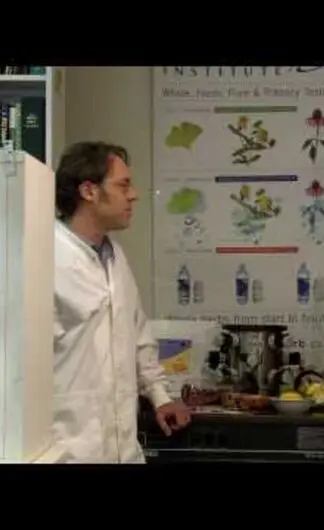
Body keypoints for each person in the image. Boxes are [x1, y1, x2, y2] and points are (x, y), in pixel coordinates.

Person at [52, 140, 190, 463]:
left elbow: (137, 333)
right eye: (123, 185)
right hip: (69, 451)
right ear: (89, 191)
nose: (134, 195)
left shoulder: (115, 256)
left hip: (123, 449)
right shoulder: (46, 257)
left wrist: (160, 395)